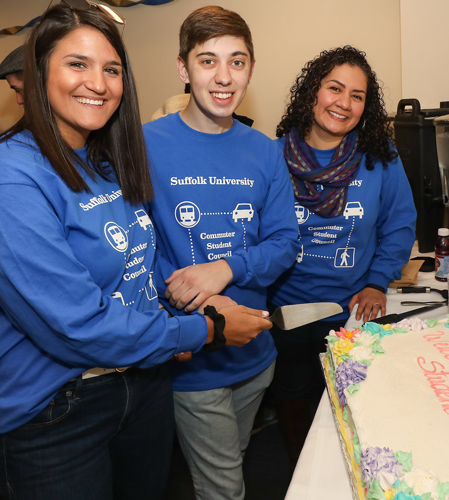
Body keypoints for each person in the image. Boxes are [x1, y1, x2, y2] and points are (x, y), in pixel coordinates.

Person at [0, 4, 271, 499]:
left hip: (141, 384)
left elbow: (136, 275)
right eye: (77, 64)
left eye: (112, 69)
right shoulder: (5, 177)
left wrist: (195, 301)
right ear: (38, 74)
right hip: (60, 407)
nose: (97, 83)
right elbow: (75, 326)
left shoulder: (106, 162)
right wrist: (209, 327)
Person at [143, 6, 299, 499]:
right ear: (183, 68)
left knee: (234, 460)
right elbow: (138, 252)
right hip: (194, 360)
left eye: (237, 61)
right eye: (208, 61)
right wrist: (203, 300)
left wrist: (225, 268)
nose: (224, 76)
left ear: (251, 69)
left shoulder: (265, 150)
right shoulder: (143, 145)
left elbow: (284, 243)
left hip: (256, 355)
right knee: (224, 487)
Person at [269, 45, 417, 466]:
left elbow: (399, 225)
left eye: (357, 95)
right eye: (335, 88)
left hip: (351, 311)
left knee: (357, 415)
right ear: (312, 92)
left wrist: (376, 281)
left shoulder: (380, 159)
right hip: (285, 313)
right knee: (296, 411)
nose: (344, 103)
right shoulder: (271, 157)